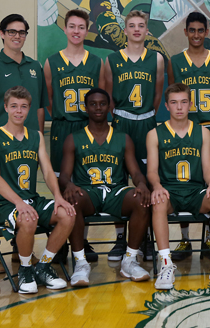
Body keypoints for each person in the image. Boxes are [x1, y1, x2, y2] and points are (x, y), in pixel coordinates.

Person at [0, 14, 48, 273]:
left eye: (22, 32)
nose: (17, 36)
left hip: (28, 144)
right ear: (2, 33)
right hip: (0, 145)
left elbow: (39, 107)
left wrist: (37, 138)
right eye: (12, 31)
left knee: (25, 193)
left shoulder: (34, 67)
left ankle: (20, 250)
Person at [0, 86, 75, 294]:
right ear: (5, 107)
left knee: (68, 214)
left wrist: (58, 197)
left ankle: (43, 266)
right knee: (27, 218)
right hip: (3, 204)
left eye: (23, 106)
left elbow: (48, 171)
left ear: (29, 109)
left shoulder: (36, 136)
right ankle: (25, 269)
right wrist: (18, 202)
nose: (18, 111)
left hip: (31, 199)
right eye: (14, 106)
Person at [58, 88, 152, 286]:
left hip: (116, 191)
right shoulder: (74, 138)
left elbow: (135, 172)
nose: (98, 108)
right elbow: (64, 175)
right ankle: (81, 263)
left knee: (142, 200)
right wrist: (68, 185)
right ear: (86, 108)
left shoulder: (123, 138)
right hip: (87, 192)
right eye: (93, 104)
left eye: (102, 104)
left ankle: (129, 260)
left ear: (109, 107)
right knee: (73, 200)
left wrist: (142, 184)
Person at [147, 83, 210, 289]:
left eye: (183, 102)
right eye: (174, 102)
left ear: (190, 104)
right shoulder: (155, 134)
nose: (179, 107)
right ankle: (166, 264)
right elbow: (151, 171)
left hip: (195, 191)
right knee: (158, 202)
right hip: (170, 191)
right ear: (166, 106)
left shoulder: (203, 133)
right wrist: (157, 186)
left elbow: (208, 167)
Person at [102, 10, 165, 261]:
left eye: (141, 25)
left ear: (147, 30)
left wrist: (147, 116)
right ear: (125, 30)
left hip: (146, 122)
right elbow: (107, 95)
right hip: (121, 121)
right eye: (132, 25)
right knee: (118, 181)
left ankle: (145, 237)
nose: (137, 29)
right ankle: (120, 238)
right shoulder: (112, 60)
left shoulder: (157, 59)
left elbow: (157, 94)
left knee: (147, 181)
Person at [44, 9, 103, 262]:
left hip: (86, 129)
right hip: (62, 127)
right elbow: (48, 98)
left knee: (83, 185)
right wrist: (62, 117)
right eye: (72, 26)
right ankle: (60, 241)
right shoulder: (52, 62)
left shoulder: (96, 62)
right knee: (60, 183)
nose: (76, 31)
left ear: (86, 30)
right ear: (65, 29)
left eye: (81, 27)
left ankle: (82, 239)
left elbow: (101, 97)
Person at [168, 12, 210, 260]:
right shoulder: (175, 61)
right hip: (185, 128)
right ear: (185, 32)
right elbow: (173, 92)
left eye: (200, 30)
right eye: (191, 30)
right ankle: (184, 239)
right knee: (184, 182)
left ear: (207, 32)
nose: (196, 35)